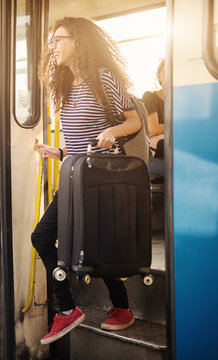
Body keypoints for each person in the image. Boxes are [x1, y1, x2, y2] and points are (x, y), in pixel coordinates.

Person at [32, 17, 142, 345]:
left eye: (58, 39)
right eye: (51, 41)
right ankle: (67, 309)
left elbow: (133, 120)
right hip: (74, 175)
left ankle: (121, 307)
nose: (52, 46)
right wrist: (59, 150)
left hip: (100, 179)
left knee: (95, 244)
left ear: (78, 41)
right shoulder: (64, 85)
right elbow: (79, 138)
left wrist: (112, 130)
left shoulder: (104, 79)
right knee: (42, 237)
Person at [142, 59, 165, 160]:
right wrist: (180, 127)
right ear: (159, 76)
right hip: (157, 153)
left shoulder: (182, 99)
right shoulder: (150, 96)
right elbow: (154, 129)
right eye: (166, 72)